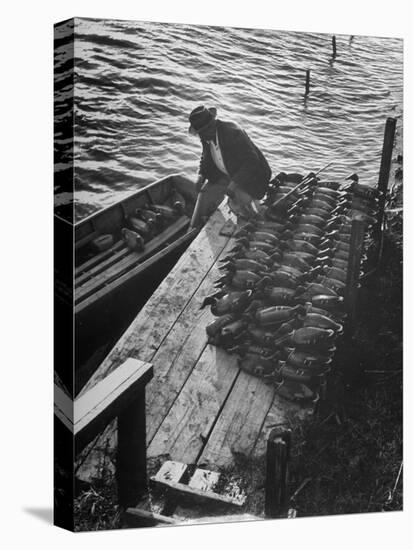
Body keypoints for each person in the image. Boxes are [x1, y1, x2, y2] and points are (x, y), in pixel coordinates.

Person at [188, 105, 272, 219]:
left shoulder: (233, 133)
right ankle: (194, 226)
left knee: (242, 206)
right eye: (199, 133)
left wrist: (234, 184)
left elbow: (252, 162)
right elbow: (205, 157)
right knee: (204, 193)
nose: (200, 136)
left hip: (252, 178)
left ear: (211, 127)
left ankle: (252, 214)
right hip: (228, 174)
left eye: (201, 133)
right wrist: (201, 175)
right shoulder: (206, 137)